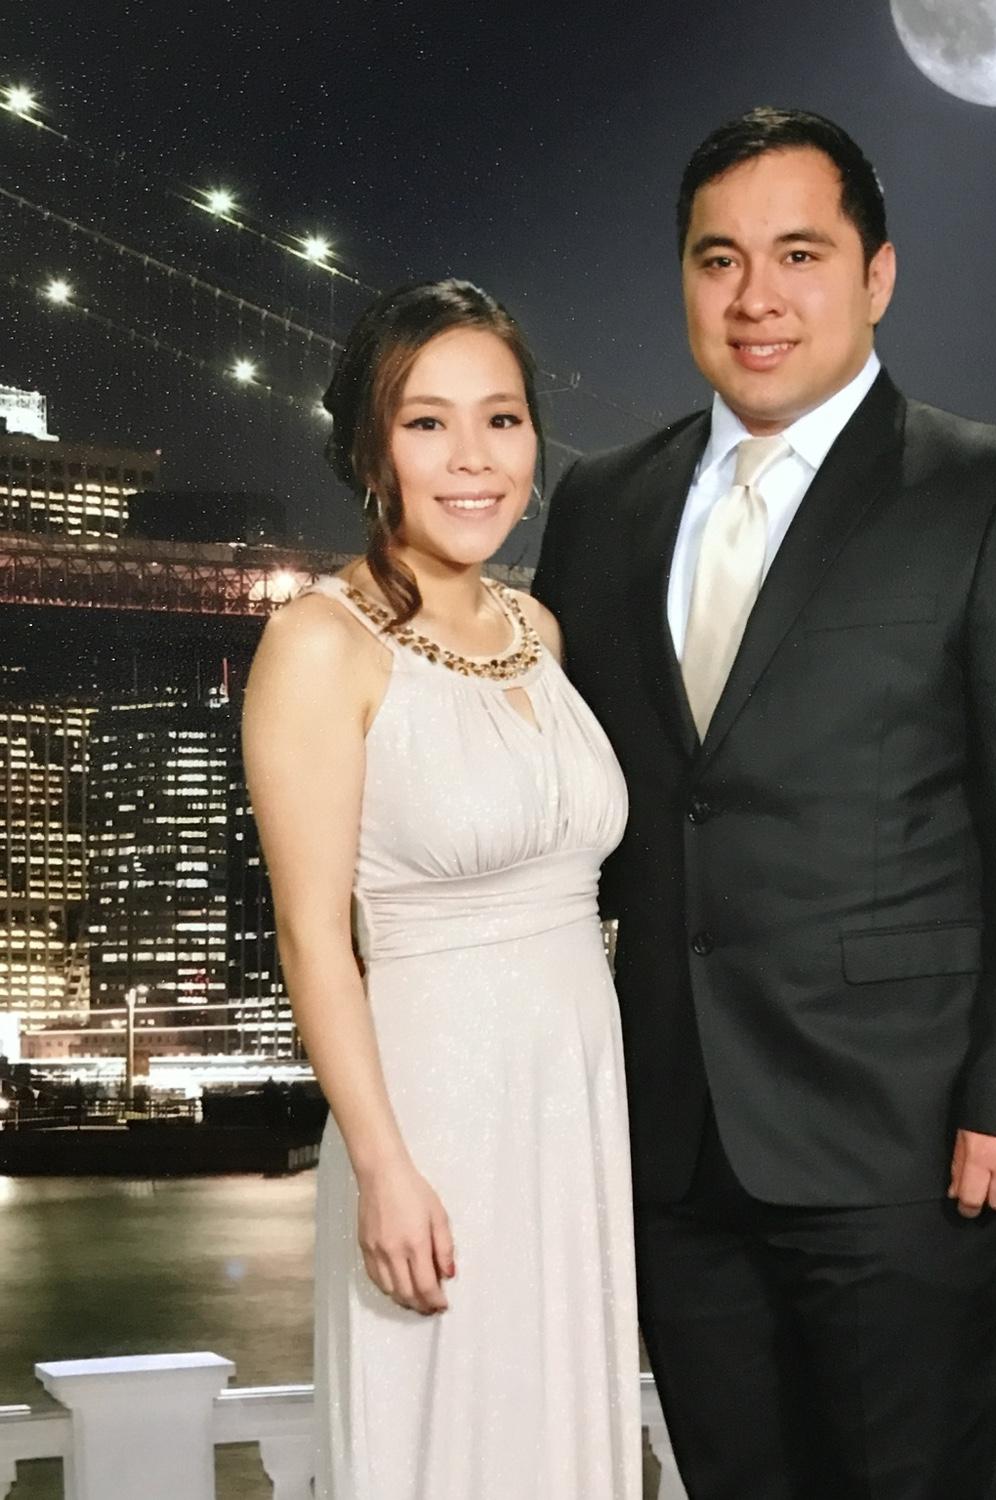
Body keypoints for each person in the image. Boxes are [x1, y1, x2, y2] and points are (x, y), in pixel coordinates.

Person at [532, 109, 996, 1500]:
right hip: (675, 1153)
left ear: (878, 276)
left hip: (916, 1150)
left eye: (799, 254)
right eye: (719, 259)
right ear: (684, 281)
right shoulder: (601, 506)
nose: (756, 296)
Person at [243, 280, 639, 1500]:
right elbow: (313, 939)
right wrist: (383, 1168)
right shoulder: (320, 642)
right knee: (443, 1445)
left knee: (558, 1438)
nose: (474, 459)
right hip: (433, 1121)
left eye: (502, 419)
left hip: (576, 1116)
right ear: (371, 450)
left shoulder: (540, 630)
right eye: (427, 423)